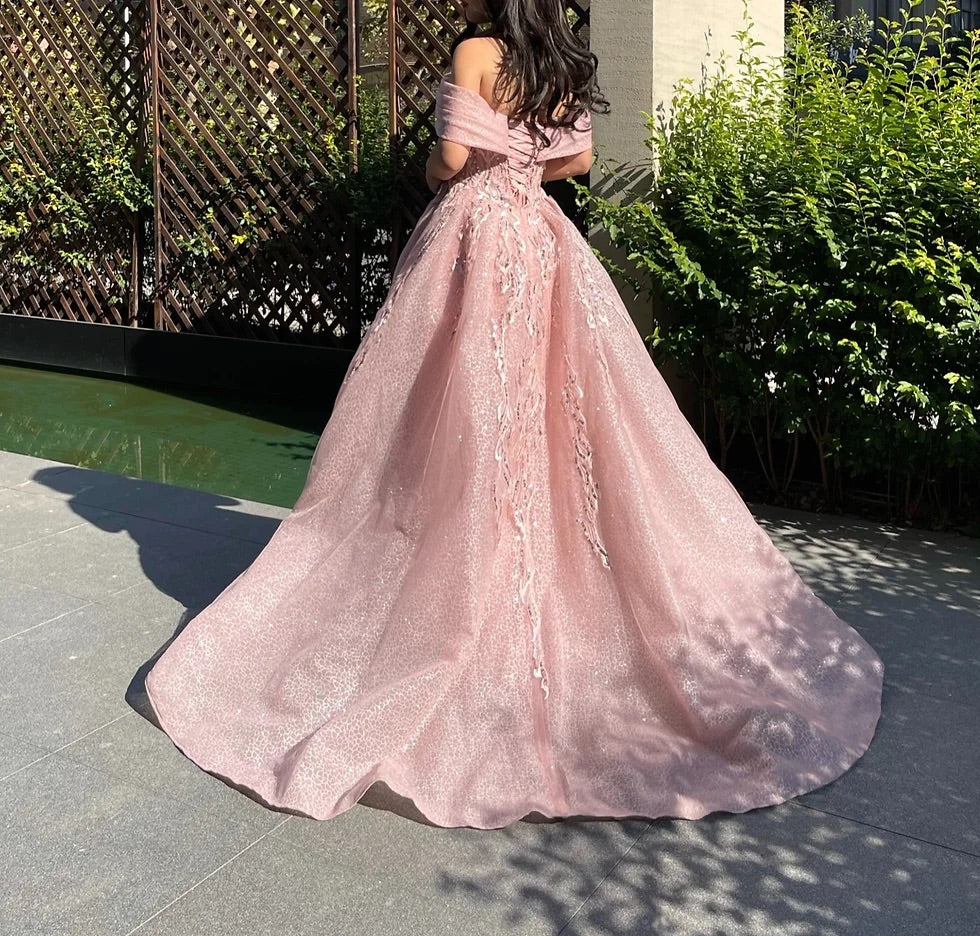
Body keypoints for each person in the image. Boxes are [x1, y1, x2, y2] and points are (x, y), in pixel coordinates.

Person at [145, 0, 884, 830]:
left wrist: (440, 170)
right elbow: (578, 161)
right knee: (549, 407)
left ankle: (467, 560)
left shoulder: (476, 51)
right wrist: (524, 159)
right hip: (539, 235)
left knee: (455, 409)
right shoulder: (557, 59)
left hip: (476, 237)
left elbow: (454, 157)